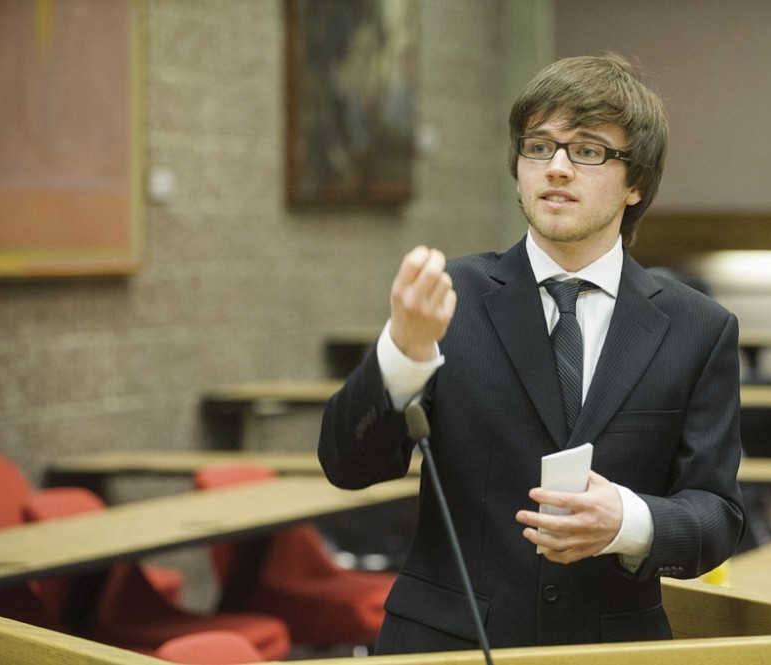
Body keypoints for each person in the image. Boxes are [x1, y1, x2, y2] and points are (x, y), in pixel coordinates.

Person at [318, 52, 745, 654]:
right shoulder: (452, 295)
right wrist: (404, 352)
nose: (557, 168)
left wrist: (625, 522)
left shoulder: (698, 328)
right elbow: (347, 465)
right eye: (539, 147)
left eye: (588, 150)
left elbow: (717, 516)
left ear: (637, 181)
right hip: (451, 642)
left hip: (611, 647)